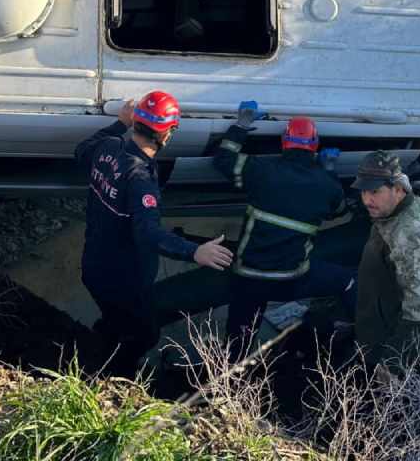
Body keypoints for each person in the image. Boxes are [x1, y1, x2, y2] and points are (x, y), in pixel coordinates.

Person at [75, 90, 234, 378]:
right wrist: (194, 251)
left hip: (94, 265)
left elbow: (81, 150)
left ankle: (103, 338)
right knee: (144, 335)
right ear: (168, 133)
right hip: (125, 279)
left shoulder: (108, 146)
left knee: (113, 318)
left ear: (135, 122)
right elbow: (148, 233)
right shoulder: (140, 179)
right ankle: (118, 376)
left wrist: (118, 124)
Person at [212, 100, 356, 360]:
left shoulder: (261, 170)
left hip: (249, 279)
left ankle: (227, 384)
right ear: (315, 147)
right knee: (347, 280)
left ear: (284, 142)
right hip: (292, 280)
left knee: (237, 344)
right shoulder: (327, 185)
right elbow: (341, 213)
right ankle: (361, 343)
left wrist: (242, 124)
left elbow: (223, 160)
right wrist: (329, 172)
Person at [351, 150, 420, 368]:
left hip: (393, 348)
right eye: (363, 191)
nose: (366, 200)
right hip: (382, 324)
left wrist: (392, 364)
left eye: (374, 191)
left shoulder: (406, 235)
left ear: (398, 188)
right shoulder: (415, 204)